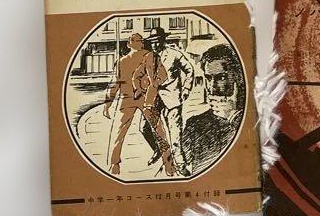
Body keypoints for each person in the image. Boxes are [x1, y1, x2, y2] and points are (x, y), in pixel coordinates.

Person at [102, 32, 175, 177]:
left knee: (119, 133)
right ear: (142, 43)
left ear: (129, 45)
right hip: (147, 99)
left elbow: (114, 84)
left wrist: (108, 103)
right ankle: (169, 165)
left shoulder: (121, 61)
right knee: (159, 131)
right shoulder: (152, 56)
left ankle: (114, 166)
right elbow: (163, 76)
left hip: (126, 99)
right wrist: (152, 85)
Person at [180, 43, 245, 174]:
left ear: (238, 77)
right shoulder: (195, 125)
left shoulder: (250, 117)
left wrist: (233, 116)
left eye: (221, 78)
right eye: (208, 78)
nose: (212, 86)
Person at [142, 26, 196, 176]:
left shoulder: (174, 54)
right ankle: (158, 149)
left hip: (172, 98)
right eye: (152, 42)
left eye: (157, 41)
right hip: (154, 98)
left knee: (175, 133)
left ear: (163, 40)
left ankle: (180, 164)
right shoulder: (149, 57)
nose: (154, 44)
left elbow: (190, 70)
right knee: (144, 128)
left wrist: (186, 89)